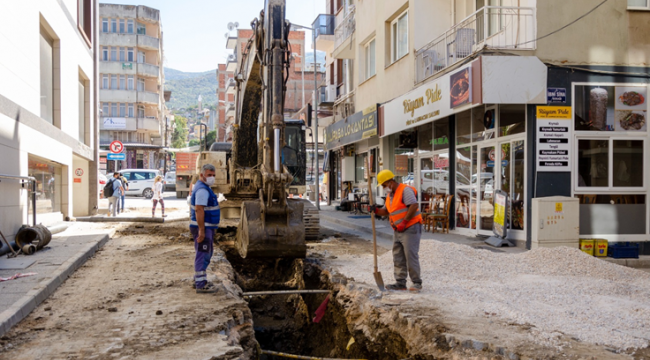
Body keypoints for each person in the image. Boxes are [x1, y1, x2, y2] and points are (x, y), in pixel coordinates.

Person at [371, 169, 423, 292]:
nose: (384, 188)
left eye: (384, 185)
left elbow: (414, 205)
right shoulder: (390, 196)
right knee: (398, 255)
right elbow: (386, 211)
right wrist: (376, 210)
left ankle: (416, 282)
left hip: (410, 228)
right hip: (398, 230)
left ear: (391, 182)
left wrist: (404, 222)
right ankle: (400, 282)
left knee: (410, 255)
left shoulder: (405, 190)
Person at [189, 164, 220, 293]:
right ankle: (201, 284)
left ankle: (197, 280)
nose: (212, 178)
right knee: (203, 254)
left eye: (213, 175)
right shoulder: (202, 190)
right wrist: (201, 230)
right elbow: (199, 209)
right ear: (202, 175)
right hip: (203, 228)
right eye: (209, 175)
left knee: (205, 253)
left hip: (206, 227)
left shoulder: (203, 187)